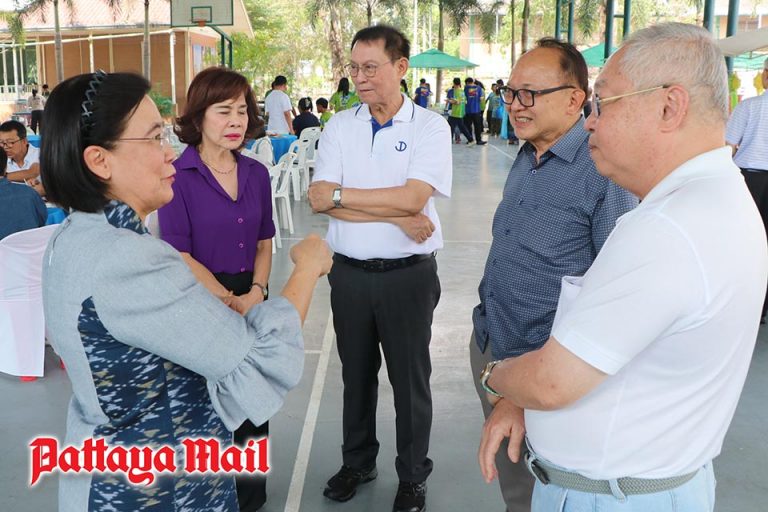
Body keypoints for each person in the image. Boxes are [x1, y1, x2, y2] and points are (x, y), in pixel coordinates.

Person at [478, 23, 767, 512]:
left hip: (612, 497)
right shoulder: (715, 198)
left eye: (603, 103)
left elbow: (551, 382)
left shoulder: (668, 229)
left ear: (669, 107)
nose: (591, 122)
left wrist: (496, 376)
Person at [40, 70, 332, 512]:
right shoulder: (129, 258)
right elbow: (258, 360)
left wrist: (254, 291)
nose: (168, 155)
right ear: (100, 160)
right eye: (153, 138)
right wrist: (307, 268)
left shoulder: (73, 237)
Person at [470, 38, 638, 512]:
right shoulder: (528, 156)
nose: (515, 104)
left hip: (547, 369)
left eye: (530, 93)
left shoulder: (603, 170)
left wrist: (523, 393)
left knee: (546, 489)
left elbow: (609, 294)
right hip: (492, 343)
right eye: (510, 92)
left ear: (573, 99)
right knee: (515, 487)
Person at [308, 25, 452, 512]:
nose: (361, 77)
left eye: (371, 67)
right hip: (348, 274)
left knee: (410, 382)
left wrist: (344, 197)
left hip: (408, 276)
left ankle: (412, 476)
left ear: (401, 67)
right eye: (354, 68)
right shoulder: (339, 126)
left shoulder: (429, 127)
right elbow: (319, 199)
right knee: (356, 377)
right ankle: (357, 462)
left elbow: (414, 197)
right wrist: (394, 215)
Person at [157, 67, 277, 512]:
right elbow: (180, 253)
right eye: (224, 111)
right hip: (200, 300)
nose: (236, 121)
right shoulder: (178, 175)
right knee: (204, 404)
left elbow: (265, 241)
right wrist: (226, 300)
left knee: (253, 400)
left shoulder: (256, 173)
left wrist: (256, 292)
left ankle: (250, 498)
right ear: (198, 116)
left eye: (242, 111)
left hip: (252, 296)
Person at [726, 56, 768, 324]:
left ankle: (745, 304)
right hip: (753, 178)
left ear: (765, 76)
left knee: (745, 243)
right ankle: (763, 307)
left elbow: (728, 146)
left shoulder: (749, 107)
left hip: (750, 181)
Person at [0, 147, 46, 241]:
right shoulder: (29, 194)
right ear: (5, 168)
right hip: (31, 248)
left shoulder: (29, 193)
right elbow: (42, 220)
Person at [0, 120, 40, 184]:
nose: (5, 147)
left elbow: (33, 173)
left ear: (24, 141)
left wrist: (3, 177)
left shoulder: (40, 154)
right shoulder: (2, 158)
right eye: (1, 142)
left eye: (10, 142)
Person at [446, 77, 474, 144]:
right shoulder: (462, 91)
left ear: (454, 83)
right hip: (460, 111)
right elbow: (464, 101)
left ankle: (470, 139)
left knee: (455, 126)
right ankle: (470, 139)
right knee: (455, 126)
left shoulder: (456, 91)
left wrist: (449, 101)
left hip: (455, 112)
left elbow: (457, 102)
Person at [464, 77, 486, 145]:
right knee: (477, 126)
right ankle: (478, 140)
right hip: (476, 110)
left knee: (468, 126)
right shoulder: (479, 88)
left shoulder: (466, 88)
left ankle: (470, 139)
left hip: (468, 110)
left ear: (467, 82)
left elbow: (464, 98)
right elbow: (481, 99)